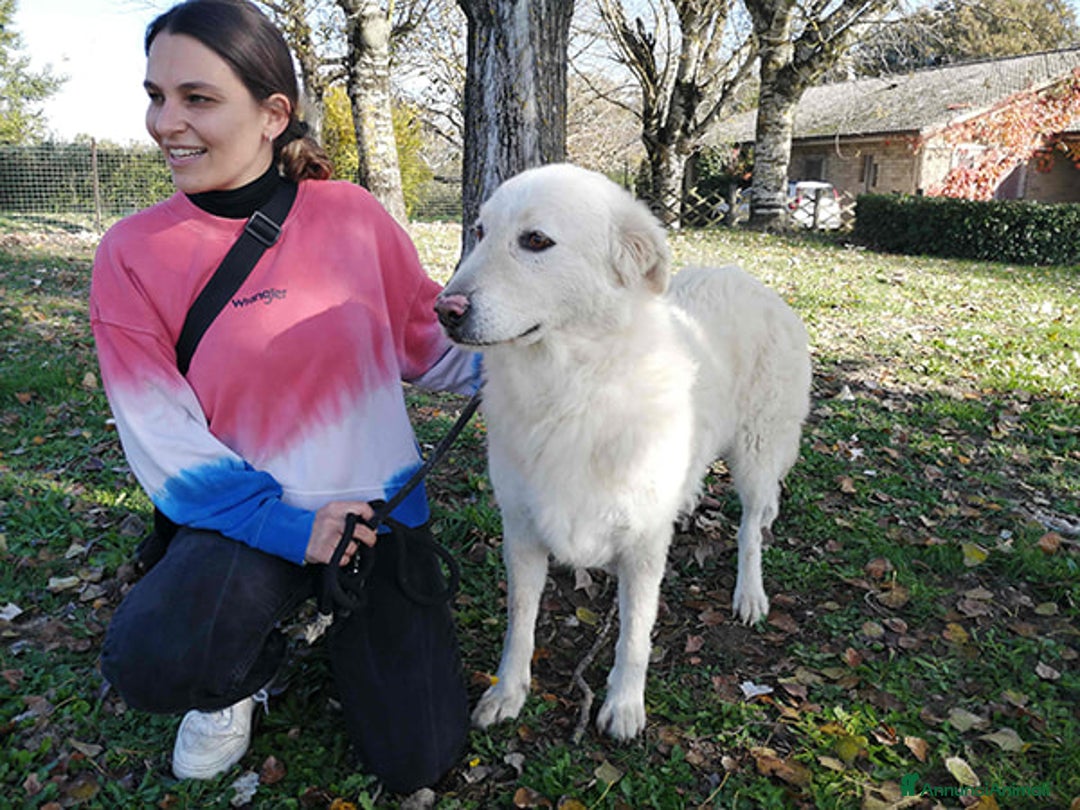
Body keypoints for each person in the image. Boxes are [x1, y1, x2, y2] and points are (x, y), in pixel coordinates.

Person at [90, 0, 480, 793]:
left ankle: (335, 624)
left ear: (274, 114)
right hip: (247, 522)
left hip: (377, 517)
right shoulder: (130, 253)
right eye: (155, 95)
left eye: (197, 98)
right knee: (152, 661)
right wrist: (289, 529)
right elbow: (157, 431)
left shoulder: (354, 215)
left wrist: (557, 358)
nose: (166, 122)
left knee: (420, 759)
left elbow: (427, 343)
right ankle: (238, 680)